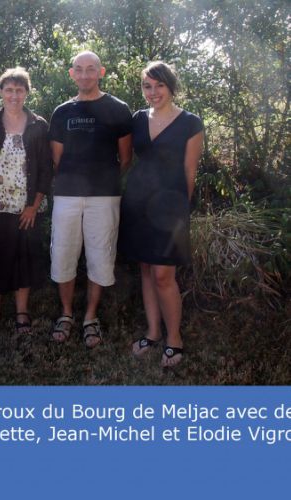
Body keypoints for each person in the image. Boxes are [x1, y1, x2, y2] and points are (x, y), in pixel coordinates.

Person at [120, 61, 204, 366]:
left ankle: (174, 339)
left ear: (171, 87)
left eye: (159, 85)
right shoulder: (137, 119)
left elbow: (189, 171)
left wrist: (182, 211)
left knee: (163, 275)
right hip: (138, 202)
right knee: (146, 269)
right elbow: (126, 158)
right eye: (147, 86)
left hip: (170, 208)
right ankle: (153, 332)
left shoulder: (191, 123)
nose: (153, 92)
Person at [49, 51, 133, 348]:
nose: (85, 74)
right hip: (67, 195)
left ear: (101, 72)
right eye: (79, 69)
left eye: (91, 69)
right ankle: (66, 313)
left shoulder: (118, 109)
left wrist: (101, 181)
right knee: (63, 253)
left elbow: (125, 158)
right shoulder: (62, 112)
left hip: (104, 196)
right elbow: (56, 159)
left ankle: (90, 317)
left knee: (100, 255)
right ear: (71, 73)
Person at [0, 67, 52, 335]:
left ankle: (21, 312)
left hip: (26, 207)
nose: (14, 95)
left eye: (19, 90)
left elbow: (46, 169)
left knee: (23, 259)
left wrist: (34, 206)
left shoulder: (39, 125)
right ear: (1, 92)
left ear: (27, 93)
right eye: (9, 90)